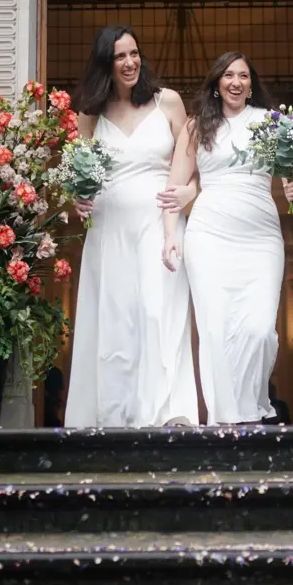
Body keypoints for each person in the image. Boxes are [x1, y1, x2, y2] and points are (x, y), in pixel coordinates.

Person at [160, 52, 293, 426]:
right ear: (217, 83)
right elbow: (175, 187)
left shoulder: (272, 124)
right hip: (209, 234)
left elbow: (291, 176)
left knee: (257, 329)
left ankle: (247, 411)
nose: (236, 82)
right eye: (228, 75)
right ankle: (226, 419)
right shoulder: (196, 127)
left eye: (243, 76)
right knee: (214, 328)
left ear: (251, 84)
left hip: (260, 236)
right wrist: (170, 235)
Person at [65, 26, 198, 428]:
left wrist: (191, 192)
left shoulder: (168, 103)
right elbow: (77, 176)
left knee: (158, 312)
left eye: (134, 53)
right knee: (116, 316)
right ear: (106, 63)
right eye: (120, 56)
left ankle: (166, 411)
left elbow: (198, 164)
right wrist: (77, 197)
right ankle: (114, 413)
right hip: (109, 229)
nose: (130, 62)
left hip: (160, 225)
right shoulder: (89, 114)